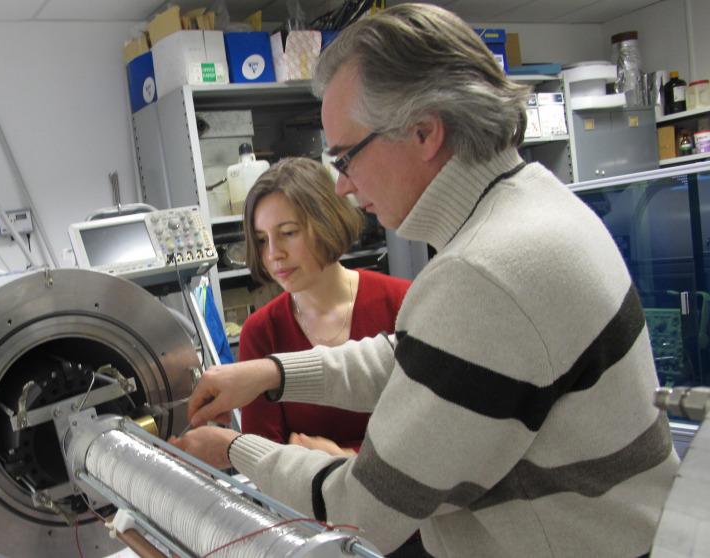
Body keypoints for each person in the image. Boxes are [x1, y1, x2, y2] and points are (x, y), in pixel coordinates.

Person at [172, 4, 680, 557]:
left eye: (346, 157)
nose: (341, 186)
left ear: (424, 132)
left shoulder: (486, 272)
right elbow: (421, 360)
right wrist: (271, 373)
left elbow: (361, 511)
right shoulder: (533, 203)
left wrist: (232, 449)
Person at [237, 156, 410, 457]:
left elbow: (433, 430)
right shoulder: (261, 331)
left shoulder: (401, 302)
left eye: (288, 233)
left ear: (327, 221)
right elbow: (263, 458)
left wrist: (346, 460)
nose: (274, 254)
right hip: (306, 501)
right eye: (262, 240)